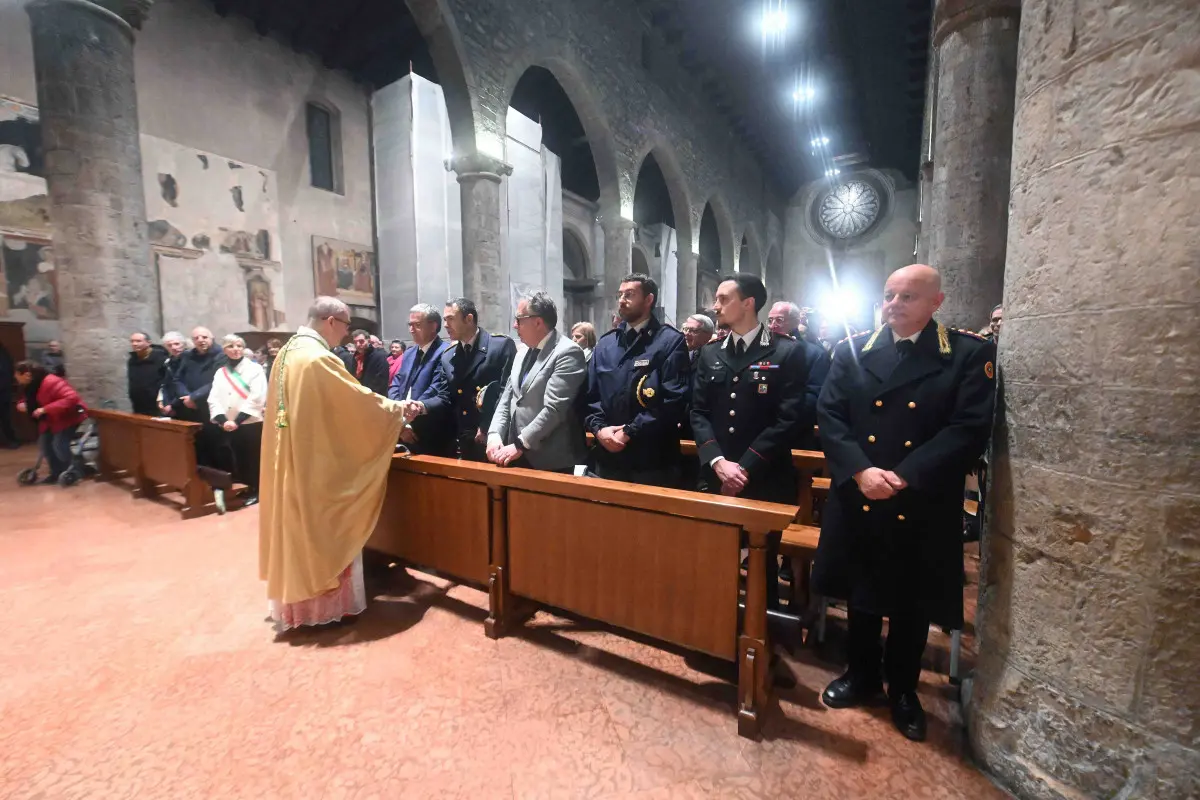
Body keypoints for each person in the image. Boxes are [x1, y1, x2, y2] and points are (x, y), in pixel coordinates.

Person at [812, 264, 996, 743]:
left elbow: (969, 427)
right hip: (861, 490)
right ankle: (861, 674)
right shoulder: (854, 350)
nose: (893, 304)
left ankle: (904, 690)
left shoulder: (966, 354)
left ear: (936, 302)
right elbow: (830, 413)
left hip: (920, 496)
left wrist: (904, 476)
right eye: (889, 295)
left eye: (907, 297)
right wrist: (859, 469)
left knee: (911, 602)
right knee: (862, 590)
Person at [259, 297, 411, 632]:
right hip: (316, 466)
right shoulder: (316, 359)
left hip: (292, 461)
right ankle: (323, 608)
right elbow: (355, 404)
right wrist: (397, 410)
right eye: (344, 326)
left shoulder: (286, 354)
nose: (345, 335)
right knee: (322, 532)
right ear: (330, 321)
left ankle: (296, 608)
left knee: (298, 531)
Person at [691, 275, 811, 608]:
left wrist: (743, 468)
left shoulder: (786, 352)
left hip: (764, 476)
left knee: (762, 564)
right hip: (716, 474)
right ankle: (713, 631)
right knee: (714, 558)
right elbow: (698, 413)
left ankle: (762, 638)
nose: (715, 305)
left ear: (749, 303)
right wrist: (718, 463)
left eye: (723, 298)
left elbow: (788, 419)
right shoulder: (710, 353)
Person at [583, 274, 689, 486]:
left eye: (629, 295)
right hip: (608, 458)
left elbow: (672, 400)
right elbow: (591, 396)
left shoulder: (669, 341)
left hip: (651, 460)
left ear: (649, 300)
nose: (622, 300)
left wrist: (629, 431)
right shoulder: (606, 344)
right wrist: (599, 429)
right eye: (620, 295)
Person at [487, 291, 586, 472]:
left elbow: (554, 409)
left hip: (550, 460)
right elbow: (507, 399)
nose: (514, 325)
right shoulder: (522, 352)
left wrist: (520, 444)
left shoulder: (567, 352)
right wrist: (494, 435)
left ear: (538, 322)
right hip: (514, 454)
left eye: (519, 319)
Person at [418, 297, 516, 461]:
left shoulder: (500, 346)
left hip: (494, 438)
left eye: (451, 319)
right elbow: (444, 396)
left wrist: (486, 427)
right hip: (463, 438)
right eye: (445, 320)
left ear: (469, 319)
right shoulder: (448, 356)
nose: (446, 325)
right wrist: (421, 406)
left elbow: (504, 392)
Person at [207, 334, 268, 506]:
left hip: (249, 422)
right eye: (231, 346)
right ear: (224, 349)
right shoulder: (221, 372)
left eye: (239, 346)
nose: (235, 350)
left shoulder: (254, 369)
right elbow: (213, 398)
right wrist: (222, 419)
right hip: (228, 424)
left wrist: (237, 420)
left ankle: (258, 490)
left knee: (253, 458)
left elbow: (257, 397)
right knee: (239, 458)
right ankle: (248, 486)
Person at [387, 304, 451, 454]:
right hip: (401, 428)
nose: (411, 329)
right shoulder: (409, 353)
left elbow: (435, 389)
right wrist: (401, 422)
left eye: (417, 325)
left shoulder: (446, 352)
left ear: (433, 326)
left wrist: (408, 420)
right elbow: (396, 384)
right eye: (409, 325)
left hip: (428, 431)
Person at [767, 301, 830, 449]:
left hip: (794, 433)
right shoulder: (761, 351)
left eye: (779, 320)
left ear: (795, 322)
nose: (773, 325)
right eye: (770, 320)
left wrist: (779, 416)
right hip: (759, 431)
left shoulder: (815, 354)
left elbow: (814, 397)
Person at [14, 360, 88, 483]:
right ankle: (56, 473)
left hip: (67, 417)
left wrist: (45, 409)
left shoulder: (51, 381)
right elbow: (29, 399)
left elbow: (71, 398)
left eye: (17, 376)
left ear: (26, 374)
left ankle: (75, 471)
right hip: (50, 419)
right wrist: (22, 404)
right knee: (45, 445)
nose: (16, 379)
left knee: (59, 444)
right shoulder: (30, 385)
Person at [127, 331, 167, 416]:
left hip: (156, 405)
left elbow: (166, 381)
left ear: (148, 342)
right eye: (132, 341)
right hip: (138, 405)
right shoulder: (132, 360)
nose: (134, 344)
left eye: (138, 341)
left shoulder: (161, 358)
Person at [340, 329, 390, 396]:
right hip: (358, 397)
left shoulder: (380, 356)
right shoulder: (354, 358)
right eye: (355, 342)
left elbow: (381, 382)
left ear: (368, 341)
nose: (358, 344)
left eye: (361, 341)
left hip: (374, 398)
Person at [158, 331, 188, 415]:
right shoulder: (169, 362)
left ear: (184, 344)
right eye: (169, 345)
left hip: (186, 403)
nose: (174, 347)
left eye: (177, 344)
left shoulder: (190, 360)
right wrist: (166, 403)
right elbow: (166, 384)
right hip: (172, 406)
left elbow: (186, 385)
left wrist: (172, 405)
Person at [0, 342, 19, 448]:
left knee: (6, 419)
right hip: (4, 390)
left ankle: (11, 440)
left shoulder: (3, 353)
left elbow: (8, 371)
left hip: (4, 391)